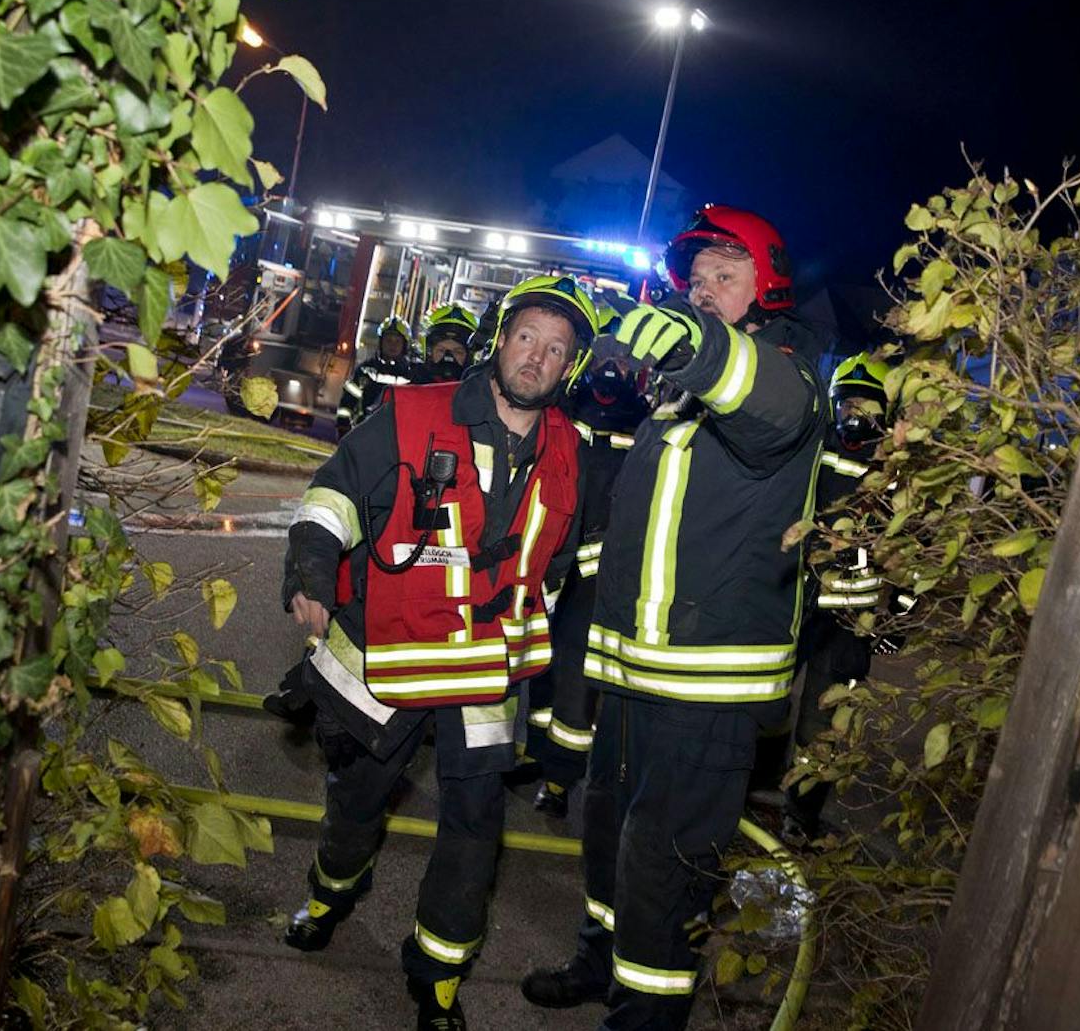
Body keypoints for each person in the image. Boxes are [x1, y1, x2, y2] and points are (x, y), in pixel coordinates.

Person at [522, 206, 827, 1030]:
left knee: (667, 866)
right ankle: (601, 961)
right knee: (608, 838)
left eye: (725, 277)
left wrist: (700, 346)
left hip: (706, 686)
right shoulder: (678, 399)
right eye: (695, 281)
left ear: (768, 289)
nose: (703, 292)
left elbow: (759, 397)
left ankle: (646, 1015)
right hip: (632, 673)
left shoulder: (787, 374)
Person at [279, 275, 603, 1031]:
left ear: (569, 369)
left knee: (474, 831)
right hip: (389, 662)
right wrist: (311, 572)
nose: (538, 358)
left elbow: (556, 568)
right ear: (500, 340)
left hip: (485, 678)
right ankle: (328, 898)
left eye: (557, 350)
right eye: (528, 337)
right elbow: (332, 496)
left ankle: (439, 979)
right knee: (356, 805)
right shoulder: (410, 413)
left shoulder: (571, 455)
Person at [526, 343, 650, 818]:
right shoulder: (562, 407)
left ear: (635, 372)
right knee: (537, 659)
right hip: (546, 555)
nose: (611, 371)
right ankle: (535, 754)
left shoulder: (644, 425)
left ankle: (559, 780)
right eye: (604, 362)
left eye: (622, 364)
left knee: (577, 675)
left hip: (595, 575)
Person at [782, 351, 895, 845]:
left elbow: (910, 548)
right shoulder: (815, 447)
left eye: (867, 406)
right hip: (797, 604)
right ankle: (749, 788)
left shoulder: (895, 469)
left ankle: (800, 815)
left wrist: (900, 619)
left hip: (852, 623)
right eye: (847, 403)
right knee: (763, 700)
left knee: (822, 726)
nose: (856, 416)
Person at [337, 315, 416, 435]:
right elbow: (347, 401)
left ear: (405, 345)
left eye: (397, 341)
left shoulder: (411, 375)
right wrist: (343, 426)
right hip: (364, 431)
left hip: (397, 435)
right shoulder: (365, 370)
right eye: (388, 340)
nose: (392, 345)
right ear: (381, 342)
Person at [417, 303, 479, 383]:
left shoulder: (480, 393)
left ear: (469, 356)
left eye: (458, 352)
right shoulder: (408, 391)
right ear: (429, 352)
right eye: (441, 350)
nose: (448, 357)